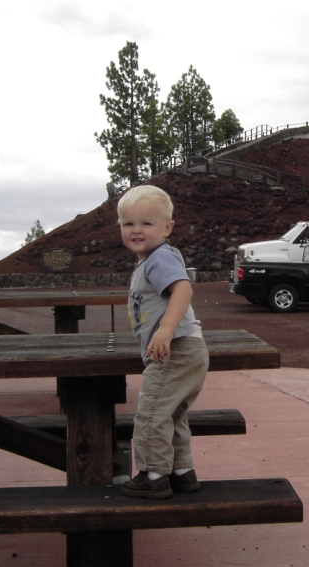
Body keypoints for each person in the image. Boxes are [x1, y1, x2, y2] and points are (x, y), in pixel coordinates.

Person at [117, 185, 208, 499]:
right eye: (129, 224)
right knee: (171, 415)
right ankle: (182, 472)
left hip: (176, 349)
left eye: (147, 223)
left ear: (168, 227)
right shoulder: (152, 261)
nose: (137, 230)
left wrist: (165, 330)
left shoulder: (160, 258)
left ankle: (153, 476)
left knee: (152, 412)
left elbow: (183, 290)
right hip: (188, 349)